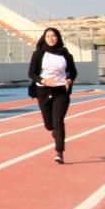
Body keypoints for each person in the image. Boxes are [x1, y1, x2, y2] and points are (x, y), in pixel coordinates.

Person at [28, 27, 77, 165]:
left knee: (58, 121)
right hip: (43, 91)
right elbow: (31, 74)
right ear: (44, 38)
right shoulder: (38, 54)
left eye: (53, 36)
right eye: (48, 36)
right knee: (49, 125)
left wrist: (69, 80)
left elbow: (73, 72)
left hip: (61, 90)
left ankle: (59, 152)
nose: (51, 38)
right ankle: (54, 132)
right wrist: (44, 80)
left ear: (58, 38)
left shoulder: (65, 54)